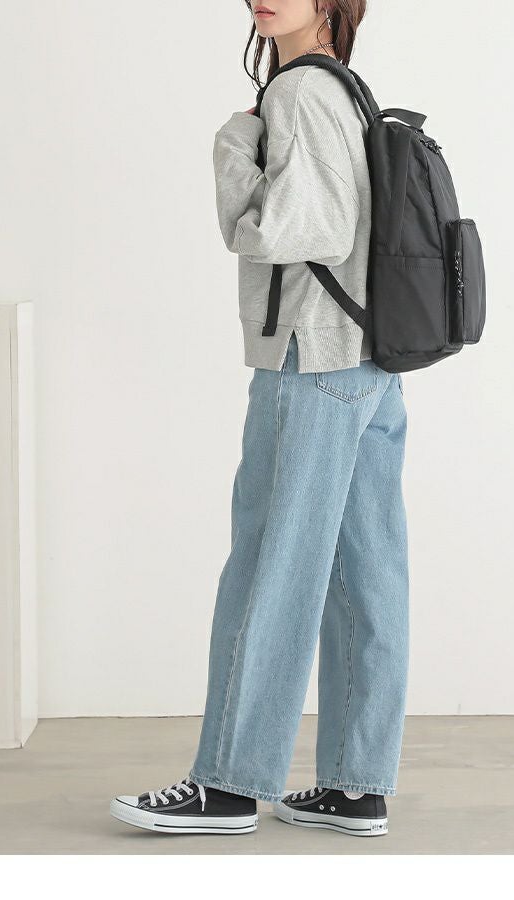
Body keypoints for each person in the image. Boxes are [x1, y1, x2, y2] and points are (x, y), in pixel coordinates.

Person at [110, 0, 408, 838]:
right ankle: (356, 786)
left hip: (310, 359)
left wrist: (234, 145)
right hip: (370, 361)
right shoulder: (345, 87)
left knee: (270, 566)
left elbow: (292, 229)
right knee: (365, 574)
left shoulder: (298, 94)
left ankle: (229, 785)